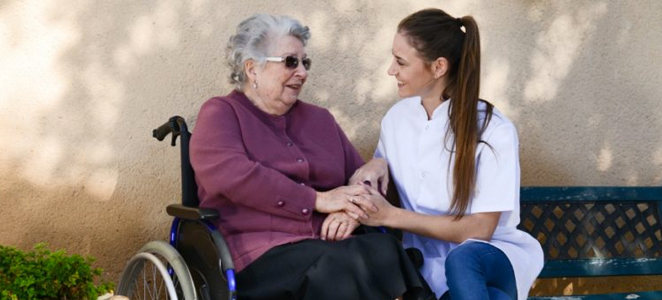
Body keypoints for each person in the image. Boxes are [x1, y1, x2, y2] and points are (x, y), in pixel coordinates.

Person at [189, 13, 431, 300]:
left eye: (305, 62)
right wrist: (318, 200)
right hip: (259, 253)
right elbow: (232, 175)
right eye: (291, 61)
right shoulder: (221, 113)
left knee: (384, 250)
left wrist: (354, 206)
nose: (302, 72)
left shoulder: (320, 120)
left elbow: (358, 179)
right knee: (340, 266)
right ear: (252, 68)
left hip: (330, 246)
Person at [351, 8, 544, 300]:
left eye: (401, 62)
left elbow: (479, 230)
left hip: (491, 257)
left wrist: (392, 216)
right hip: (427, 270)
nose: (391, 70)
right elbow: (378, 179)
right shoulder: (396, 120)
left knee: (463, 260)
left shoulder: (492, 129)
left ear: (439, 67)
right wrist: (376, 164)